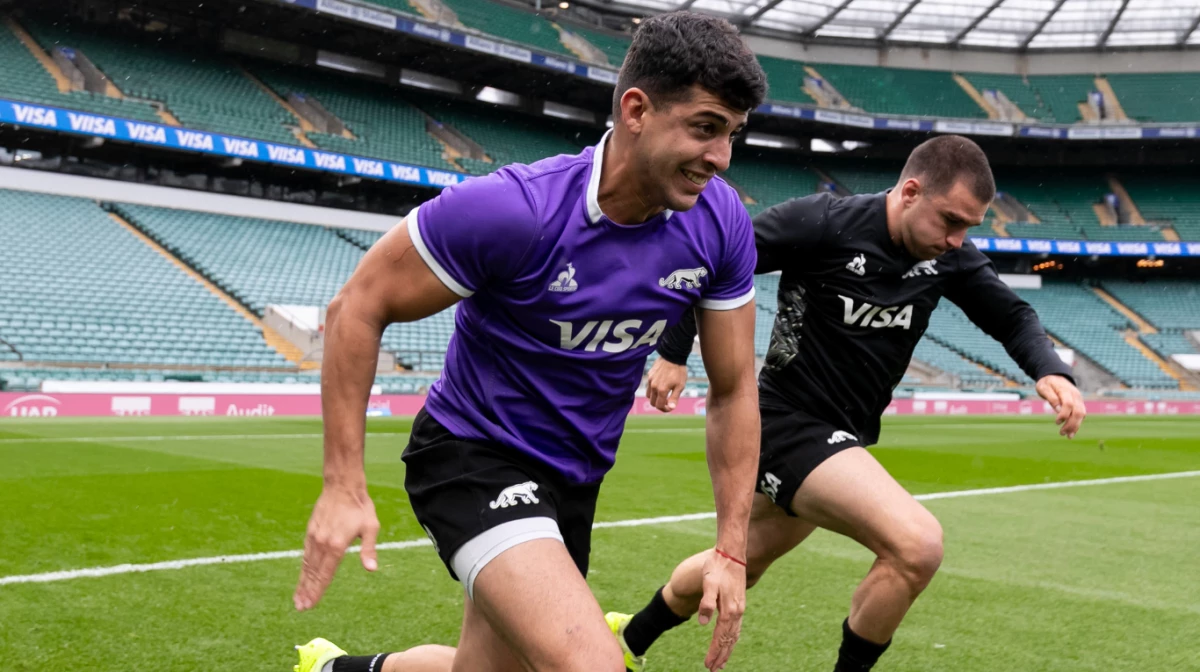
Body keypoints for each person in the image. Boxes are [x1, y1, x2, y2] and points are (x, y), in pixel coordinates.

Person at [290, 11, 769, 672]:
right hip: (472, 453)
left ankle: (337, 669)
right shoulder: (517, 210)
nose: (720, 158)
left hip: (575, 478)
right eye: (706, 128)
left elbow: (735, 385)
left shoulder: (721, 225)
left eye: (733, 136)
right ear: (636, 109)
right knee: (590, 664)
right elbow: (357, 307)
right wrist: (343, 482)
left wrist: (731, 548)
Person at [608, 135, 1087, 672]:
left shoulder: (948, 258)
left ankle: (628, 637)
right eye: (950, 220)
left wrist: (1050, 369)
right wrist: (673, 352)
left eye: (968, 228)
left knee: (750, 558)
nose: (956, 240)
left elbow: (1012, 315)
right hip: (785, 422)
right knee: (917, 546)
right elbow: (715, 259)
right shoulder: (824, 223)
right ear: (910, 191)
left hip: (841, 436)